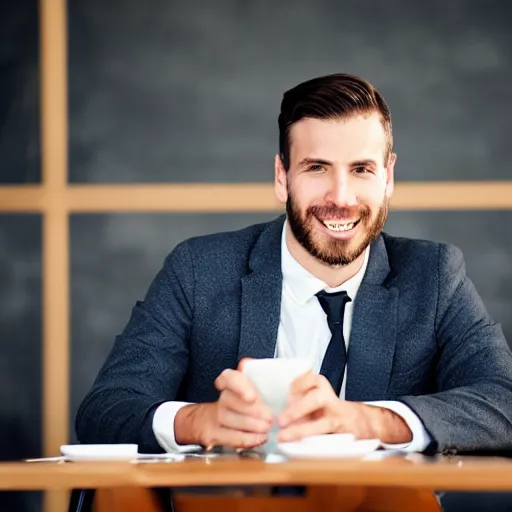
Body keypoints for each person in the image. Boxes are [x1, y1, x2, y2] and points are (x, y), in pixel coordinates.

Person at [76, 73, 512, 457]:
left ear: (388, 177)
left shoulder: (435, 275)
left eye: (361, 169)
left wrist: (370, 421)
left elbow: (504, 401)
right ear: (282, 176)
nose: (341, 197)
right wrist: (197, 422)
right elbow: (105, 408)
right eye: (317, 167)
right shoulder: (197, 269)